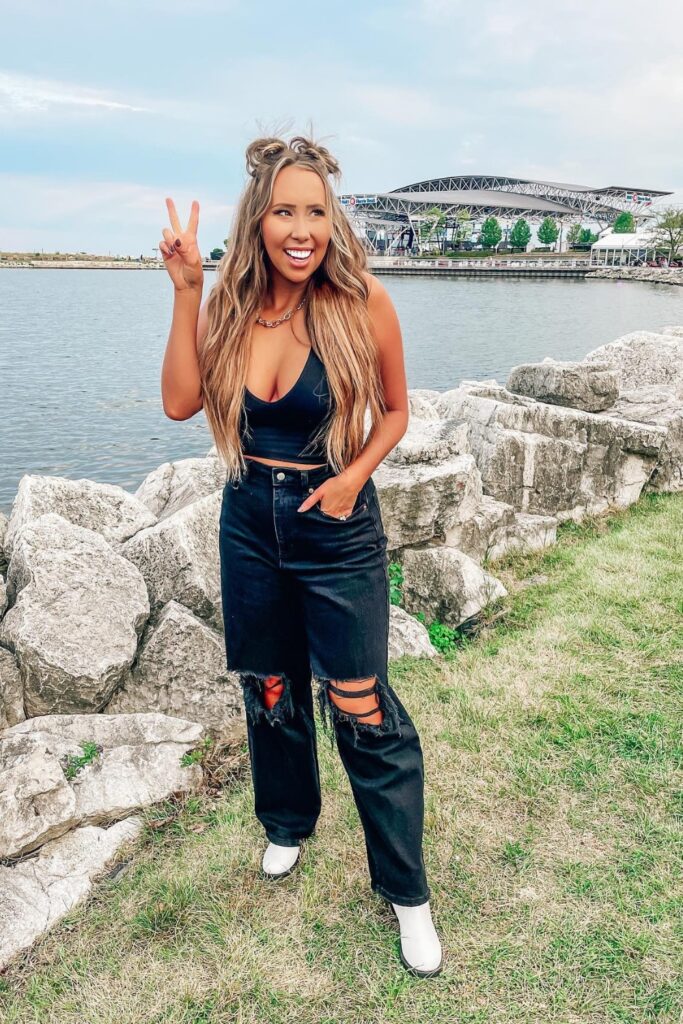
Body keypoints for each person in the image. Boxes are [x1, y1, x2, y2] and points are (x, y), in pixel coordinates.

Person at [159, 132, 443, 978]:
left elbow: (394, 410)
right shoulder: (234, 307)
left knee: (358, 701)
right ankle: (287, 822)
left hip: (334, 519)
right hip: (249, 515)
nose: (300, 228)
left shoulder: (363, 303)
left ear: (333, 221)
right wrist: (186, 292)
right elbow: (180, 402)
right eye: (284, 210)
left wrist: (355, 475)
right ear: (259, 218)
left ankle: (405, 892)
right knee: (271, 683)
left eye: (315, 212)